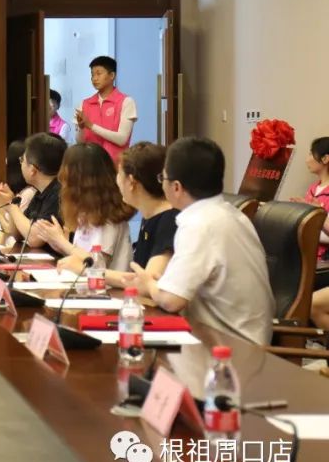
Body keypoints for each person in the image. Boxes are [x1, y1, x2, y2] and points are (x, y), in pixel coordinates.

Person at [129, 137, 274, 344]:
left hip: (230, 349)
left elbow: (170, 300)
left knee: (130, 344)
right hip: (234, 339)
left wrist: (149, 285)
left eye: (163, 178)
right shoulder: (229, 214)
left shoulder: (199, 224)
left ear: (176, 187)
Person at [38, 143, 135, 277]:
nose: (62, 181)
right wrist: (59, 245)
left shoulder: (109, 217)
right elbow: (80, 258)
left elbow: (96, 266)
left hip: (110, 289)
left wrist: (62, 242)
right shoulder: (86, 212)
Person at [0, 132, 66, 248]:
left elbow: (35, 239)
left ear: (32, 170)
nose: (21, 164)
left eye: (22, 160)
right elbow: (17, 234)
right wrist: (12, 202)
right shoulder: (40, 192)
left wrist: (11, 205)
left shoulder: (57, 193)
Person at [115, 142, 179, 284]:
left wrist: (95, 273)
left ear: (131, 182)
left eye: (119, 174)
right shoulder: (149, 216)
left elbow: (148, 280)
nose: (117, 180)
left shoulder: (169, 221)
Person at [74, 55, 137, 164]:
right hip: (89, 165)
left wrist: (91, 126)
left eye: (98, 73)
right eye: (92, 75)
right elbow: (80, 142)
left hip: (115, 166)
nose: (94, 78)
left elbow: (122, 139)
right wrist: (81, 128)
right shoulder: (84, 104)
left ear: (112, 75)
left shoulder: (126, 102)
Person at [295, 137, 329, 329]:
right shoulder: (313, 189)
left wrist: (318, 215)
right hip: (308, 254)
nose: (307, 158)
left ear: (325, 159)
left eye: (310, 153)